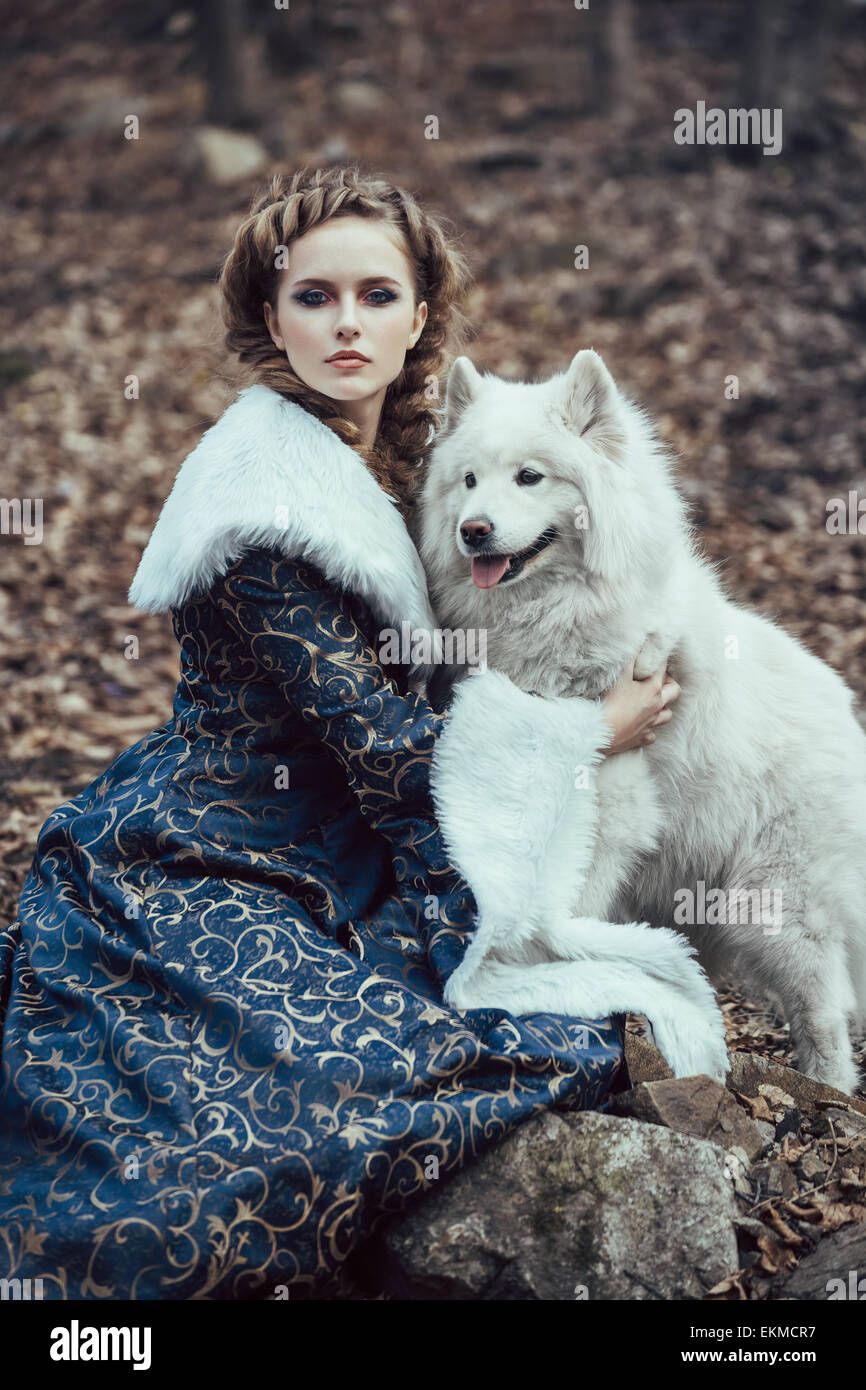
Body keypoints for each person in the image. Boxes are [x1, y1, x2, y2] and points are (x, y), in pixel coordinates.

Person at [0, 166, 679, 1301]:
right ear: (270, 316)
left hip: (350, 822)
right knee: (298, 1106)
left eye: (377, 295)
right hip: (225, 842)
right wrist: (585, 730)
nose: (347, 324)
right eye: (313, 297)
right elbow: (386, 751)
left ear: (421, 313)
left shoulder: (416, 456)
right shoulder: (264, 499)